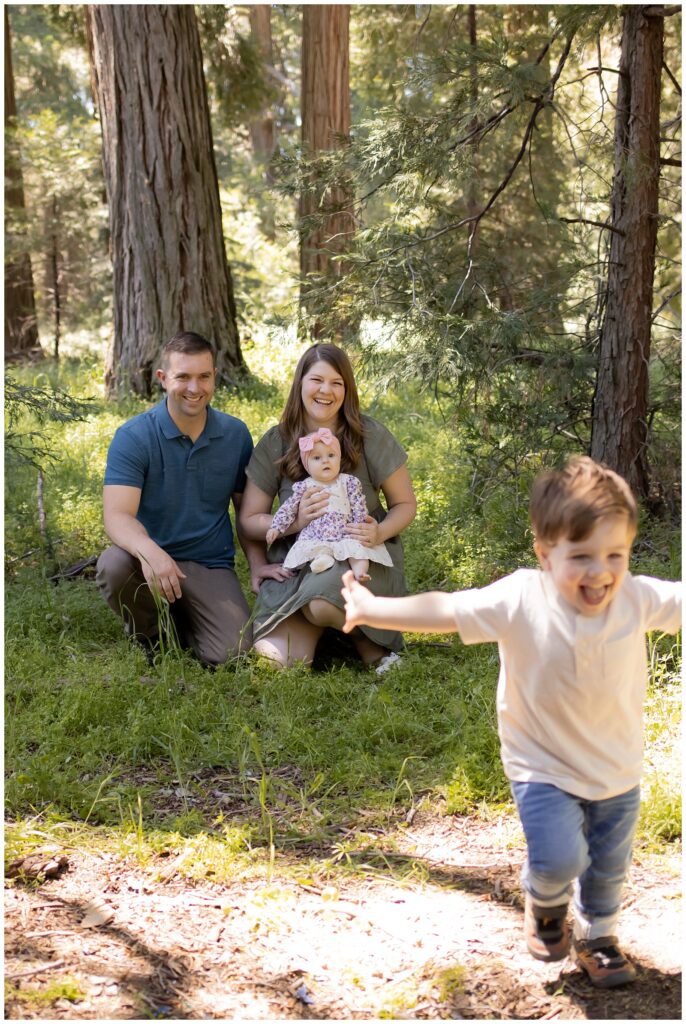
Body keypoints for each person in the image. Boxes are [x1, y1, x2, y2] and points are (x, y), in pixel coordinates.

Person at [340, 456, 681, 988]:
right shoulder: (521, 596)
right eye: (582, 556)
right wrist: (372, 607)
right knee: (560, 856)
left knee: (608, 869)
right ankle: (546, 901)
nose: (601, 571)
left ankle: (599, 939)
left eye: (616, 554)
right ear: (546, 554)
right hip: (541, 764)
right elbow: (446, 610)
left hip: (618, 767)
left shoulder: (634, 598)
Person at [239, 342, 417, 671]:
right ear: (300, 384)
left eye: (337, 383)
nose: (326, 391)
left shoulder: (369, 434)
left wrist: (379, 532)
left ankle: (371, 645)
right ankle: (335, 632)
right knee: (277, 661)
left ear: (347, 390)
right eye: (317, 380)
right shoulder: (276, 441)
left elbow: (405, 504)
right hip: (299, 560)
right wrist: (293, 522)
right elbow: (248, 519)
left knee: (322, 602)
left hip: (359, 556)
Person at [96, 331, 265, 666]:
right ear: (162, 378)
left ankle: (186, 619)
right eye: (183, 377)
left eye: (204, 376)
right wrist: (151, 553)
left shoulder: (235, 435)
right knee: (112, 565)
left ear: (215, 376)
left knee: (233, 654)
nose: (194, 388)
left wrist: (258, 566)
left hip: (208, 563)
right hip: (147, 562)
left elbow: (247, 512)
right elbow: (117, 516)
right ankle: (151, 637)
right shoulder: (134, 436)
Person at [266, 426, 393, 581]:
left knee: (357, 550)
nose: (325, 461)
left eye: (331, 455)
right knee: (316, 549)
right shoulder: (305, 486)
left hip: (345, 531)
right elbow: (289, 508)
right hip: (316, 534)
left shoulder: (348, 482)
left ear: (339, 458)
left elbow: (358, 504)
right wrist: (276, 527)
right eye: (317, 458)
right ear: (307, 465)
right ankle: (322, 561)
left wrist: (360, 524)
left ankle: (360, 572)